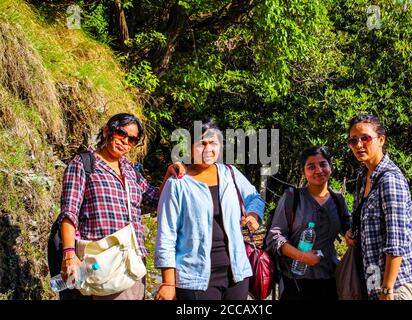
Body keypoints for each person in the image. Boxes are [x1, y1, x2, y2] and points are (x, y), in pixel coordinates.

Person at [58, 113, 184, 300]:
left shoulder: (130, 170)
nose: (126, 141)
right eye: (121, 133)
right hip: (102, 262)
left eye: (132, 139)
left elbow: (156, 200)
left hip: (133, 261)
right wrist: (69, 253)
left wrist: (168, 173)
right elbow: (69, 212)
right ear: (107, 131)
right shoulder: (84, 164)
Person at [154, 120, 265, 300]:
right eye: (201, 144)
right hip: (195, 277)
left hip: (236, 274)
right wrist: (168, 283)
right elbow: (166, 234)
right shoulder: (178, 183)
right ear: (190, 148)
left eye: (213, 143)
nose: (207, 149)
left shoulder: (230, 173)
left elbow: (254, 197)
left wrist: (253, 214)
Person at [344, 114, 412, 300]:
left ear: (381, 140)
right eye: (353, 140)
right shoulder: (364, 177)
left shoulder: (390, 180)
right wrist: (352, 232)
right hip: (373, 279)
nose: (359, 145)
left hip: (395, 284)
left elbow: (396, 241)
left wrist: (387, 289)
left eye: (365, 138)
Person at [265, 146, 351, 300]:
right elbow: (274, 237)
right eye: (311, 167)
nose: (318, 170)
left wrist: (350, 234)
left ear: (330, 167)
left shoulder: (338, 200)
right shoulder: (292, 198)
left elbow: (347, 226)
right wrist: (301, 256)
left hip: (330, 279)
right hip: (295, 280)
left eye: (323, 164)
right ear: (303, 172)